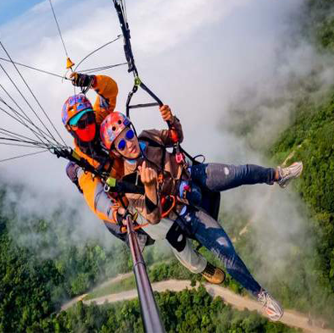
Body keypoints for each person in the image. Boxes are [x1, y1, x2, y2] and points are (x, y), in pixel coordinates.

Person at [99, 106, 304, 322]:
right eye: (122, 143)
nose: (129, 143)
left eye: (129, 135)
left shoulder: (147, 138)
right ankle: (261, 296)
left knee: (239, 172)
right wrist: (149, 187)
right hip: (183, 210)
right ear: (116, 151)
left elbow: (175, 137)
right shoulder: (130, 182)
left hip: (192, 175)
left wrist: (172, 121)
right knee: (226, 251)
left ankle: (278, 176)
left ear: (133, 130)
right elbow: (153, 217)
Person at [61, 72, 225, 284]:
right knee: (174, 232)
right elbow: (96, 196)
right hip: (131, 199)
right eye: (81, 124)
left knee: (189, 178)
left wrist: (91, 81)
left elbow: (110, 91)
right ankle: (200, 266)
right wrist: (116, 213)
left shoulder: (101, 119)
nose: (88, 125)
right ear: (71, 130)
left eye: (89, 118)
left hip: (142, 167)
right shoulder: (84, 164)